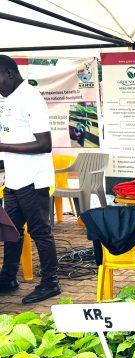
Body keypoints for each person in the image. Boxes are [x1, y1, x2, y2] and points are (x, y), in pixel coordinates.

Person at [0, 55, 61, 304]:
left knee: (40, 232)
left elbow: (44, 144)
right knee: (11, 232)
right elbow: (13, 136)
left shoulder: (31, 98)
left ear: (10, 73)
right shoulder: (6, 99)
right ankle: (8, 278)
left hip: (33, 180)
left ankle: (50, 282)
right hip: (13, 180)